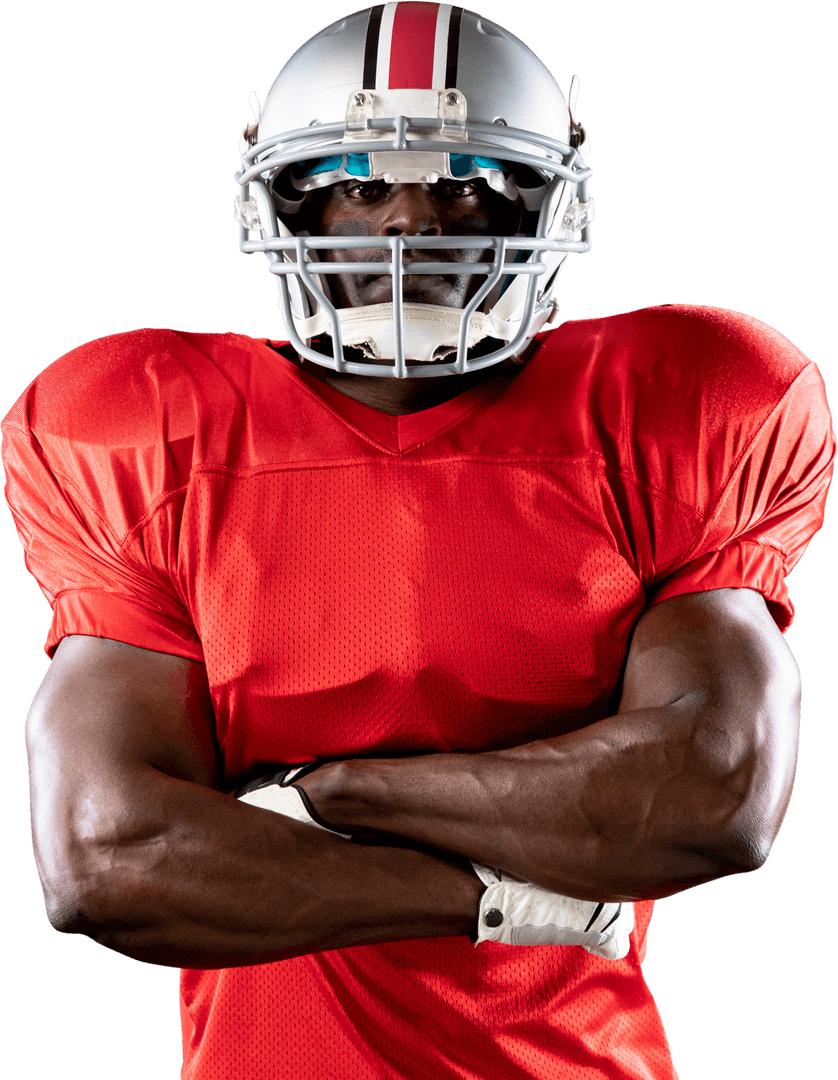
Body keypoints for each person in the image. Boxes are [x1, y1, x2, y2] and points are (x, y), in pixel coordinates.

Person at [2, 4, 833, 1078]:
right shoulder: (141, 426)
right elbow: (110, 861)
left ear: (550, 203)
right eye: (358, 184)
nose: (411, 225)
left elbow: (712, 793)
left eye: (465, 185)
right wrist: (504, 902)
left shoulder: (683, 404)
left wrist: (327, 793)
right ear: (284, 206)